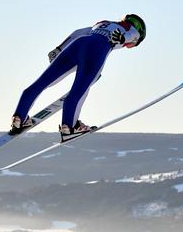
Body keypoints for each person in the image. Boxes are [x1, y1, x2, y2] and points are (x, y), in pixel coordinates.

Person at [9, 14, 146, 141]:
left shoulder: (103, 23)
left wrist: (59, 49)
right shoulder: (133, 30)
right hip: (98, 48)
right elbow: (130, 36)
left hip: (77, 43)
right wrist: (123, 39)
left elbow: (77, 33)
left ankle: (19, 118)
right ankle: (69, 127)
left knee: (42, 82)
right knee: (79, 90)